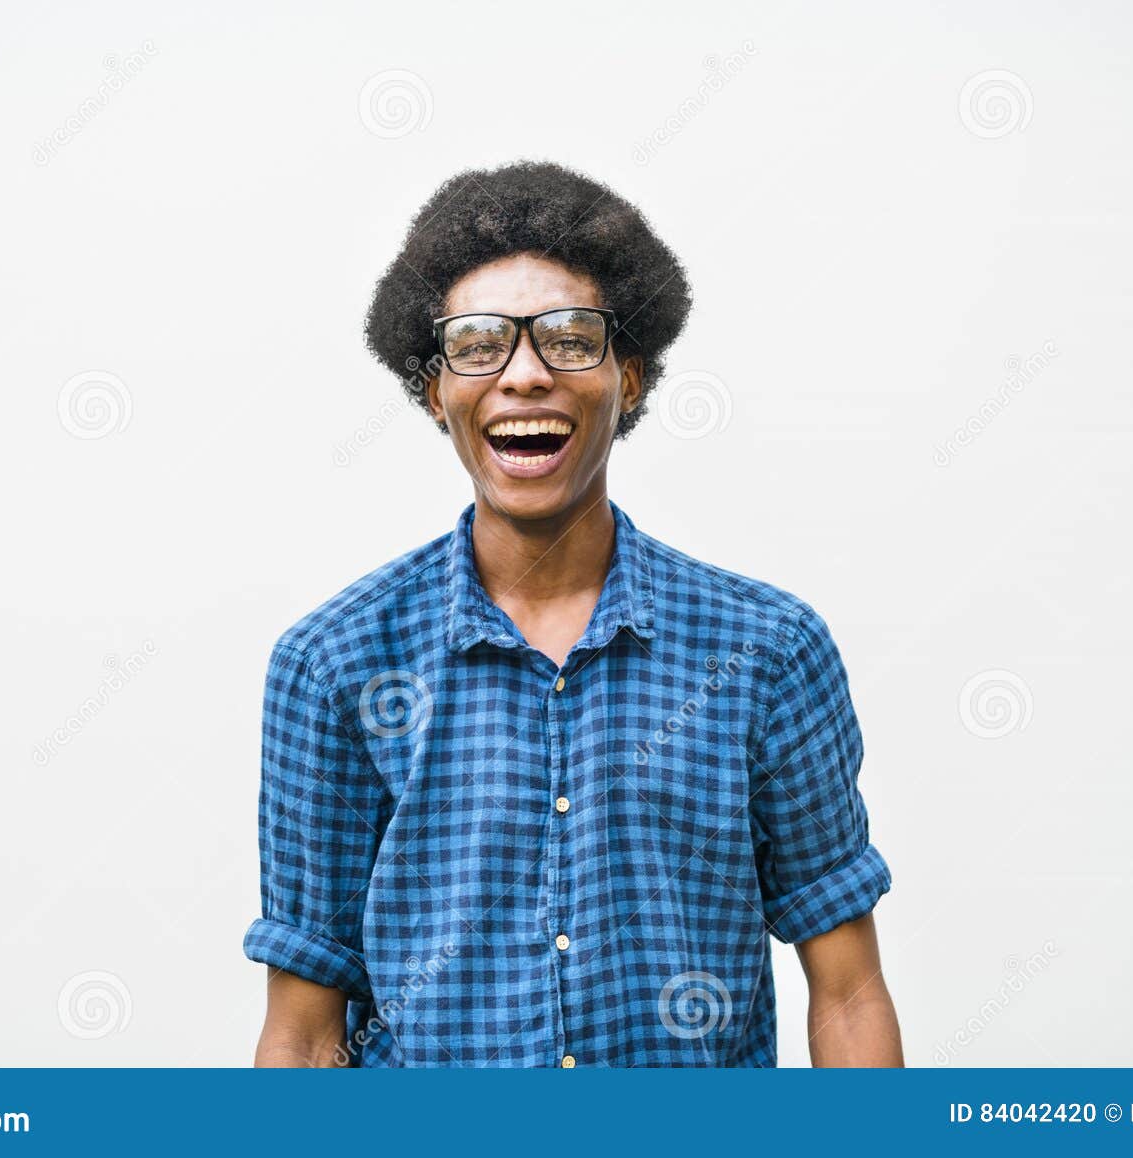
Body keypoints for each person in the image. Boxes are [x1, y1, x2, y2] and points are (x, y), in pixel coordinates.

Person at [245, 160, 900, 1067]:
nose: (524, 374)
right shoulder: (333, 663)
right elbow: (304, 1031)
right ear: (434, 389)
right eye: (478, 344)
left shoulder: (768, 652)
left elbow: (850, 990)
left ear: (631, 380)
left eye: (570, 338)